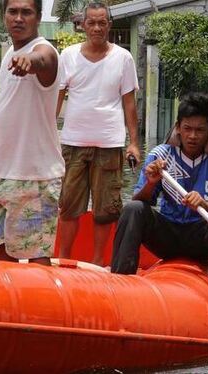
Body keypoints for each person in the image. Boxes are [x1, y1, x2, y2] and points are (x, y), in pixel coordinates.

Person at [111, 93, 208, 328]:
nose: (192, 136)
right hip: (168, 235)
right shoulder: (160, 156)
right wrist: (151, 182)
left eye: (200, 130)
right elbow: (142, 200)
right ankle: (119, 287)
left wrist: (207, 205)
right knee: (133, 208)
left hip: (201, 237)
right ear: (178, 127)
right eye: (187, 129)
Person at [0, 0, 65, 265]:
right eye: (12, 11)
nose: (18, 18)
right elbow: (7, 109)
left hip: (34, 176)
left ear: (38, 17)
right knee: (2, 252)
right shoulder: (8, 56)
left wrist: (30, 60)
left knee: (36, 254)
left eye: (26, 12)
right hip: (2, 173)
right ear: (4, 16)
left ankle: (42, 306)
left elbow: (44, 60)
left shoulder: (44, 52)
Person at [56, 2, 140, 264]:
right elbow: (56, 99)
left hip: (110, 143)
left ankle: (97, 263)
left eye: (101, 22)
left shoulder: (123, 58)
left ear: (109, 25)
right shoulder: (67, 56)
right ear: (82, 25)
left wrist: (134, 143)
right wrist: (47, 136)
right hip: (72, 143)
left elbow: (129, 103)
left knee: (106, 209)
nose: (96, 28)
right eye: (91, 22)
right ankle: (64, 259)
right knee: (69, 206)